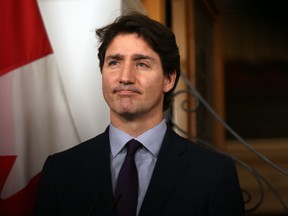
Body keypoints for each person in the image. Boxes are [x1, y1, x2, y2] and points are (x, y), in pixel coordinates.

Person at [33, 12, 244, 216]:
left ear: (168, 79)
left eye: (141, 64)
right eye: (114, 62)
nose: (125, 77)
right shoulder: (60, 170)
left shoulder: (213, 173)